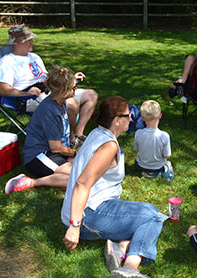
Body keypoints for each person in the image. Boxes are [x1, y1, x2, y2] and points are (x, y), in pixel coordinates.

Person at [61, 96, 165, 278]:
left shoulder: (97, 133)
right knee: (152, 219)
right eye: (128, 115)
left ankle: (121, 246)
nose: (132, 119)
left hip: (93, 207)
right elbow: (82, 183)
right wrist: (74, 226)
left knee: (152, 210)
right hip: (88, 216)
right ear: (116, 121)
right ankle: (130, 268)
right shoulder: (108, 146)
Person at [0, 24, 98, 146]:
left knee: (91, 95)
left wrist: (70, 80)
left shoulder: (35, 57)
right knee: (71, 104)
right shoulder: (7, 61)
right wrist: (26, 93)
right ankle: (70, 140)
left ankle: (78, 134)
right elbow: (3, 90)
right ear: (18, 43)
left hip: (49, 90)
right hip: (28, 98)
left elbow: (49, 79)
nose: (32, 42)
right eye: (29, 40)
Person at [4, 65, 78, 194]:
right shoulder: (51, 111)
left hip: (52, 153)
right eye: (73, 88)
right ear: (62, 92)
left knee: (83, 174)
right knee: (77, 179)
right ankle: (30, 182)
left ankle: (58, 178)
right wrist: (73, 153)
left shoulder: (60, 102)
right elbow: (55, 147)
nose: (76, 90)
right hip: (38, 156)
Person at [133, 100, 174, 181]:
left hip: (141, 165)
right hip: (158, 166)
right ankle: (161, 171)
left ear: (143, 118)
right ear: (160, 115)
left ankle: (147, 173)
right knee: (168, 162)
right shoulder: (164, 136)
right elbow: (167, 155)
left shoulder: (138, 133)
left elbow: (136, 149)